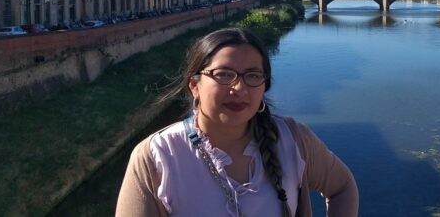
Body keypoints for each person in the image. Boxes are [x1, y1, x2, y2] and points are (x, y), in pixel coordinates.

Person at [116, 28, 358, 216]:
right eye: (223, 75)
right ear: (194, 85)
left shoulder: (293, 139)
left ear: (264, 86)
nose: (239, 88)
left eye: (252, 76)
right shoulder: (155, 156)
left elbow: (343, 187)